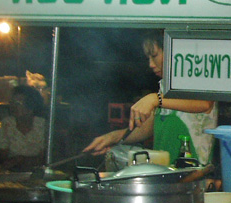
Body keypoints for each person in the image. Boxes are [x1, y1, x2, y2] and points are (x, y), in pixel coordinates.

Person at [83, 31, 217, 168]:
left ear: (174, 52)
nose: (151, 64)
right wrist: (114, 138)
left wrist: (155, 99)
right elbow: (151, 126)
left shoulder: (198, 75)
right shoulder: (165, 86)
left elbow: (205, 104)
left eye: (154, 56)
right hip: (167, 172)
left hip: (195, 173)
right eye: (148, 58)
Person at [0, 85, 48, 171]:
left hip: (37, 172)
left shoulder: (42, 124)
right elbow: (2, 155)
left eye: (18, 103)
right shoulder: (7, 123)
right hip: (12, 172)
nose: (13, 106)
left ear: (30, 107)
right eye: (12, 102)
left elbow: (44, 158)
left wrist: (21, 159)